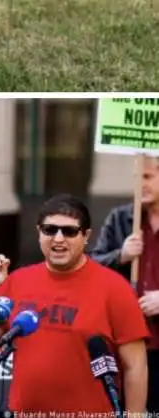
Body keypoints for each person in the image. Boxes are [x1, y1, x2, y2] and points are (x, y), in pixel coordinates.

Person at [0, 194, 149, 414]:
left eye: (69, 231)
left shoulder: (115, 288)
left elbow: (135, 366)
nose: (58, 239)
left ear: (86, 236)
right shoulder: (17, 280)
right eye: (49, 230)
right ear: (39, 233)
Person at [92, 155, 159, 411]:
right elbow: (92, 265)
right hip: (125, 341)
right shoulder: (120, 218)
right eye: (136, 178)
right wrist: (121, 255)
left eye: (148, 176)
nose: (140, 184)